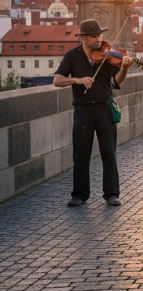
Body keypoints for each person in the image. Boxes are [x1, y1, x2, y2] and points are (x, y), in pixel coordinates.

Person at [54, 19, 133, 207]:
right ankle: (80, 194)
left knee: (109, 152)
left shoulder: (107, 54)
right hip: (83, 110)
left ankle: (112, 194)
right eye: (94, 36)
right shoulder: (72, 56)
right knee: (81, 154)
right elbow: (57, 80)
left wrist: (124, 68)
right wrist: (77, 80)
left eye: (100, 35)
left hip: (104, 108)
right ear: (83, 38)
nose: (99, 39)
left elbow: (117, 82)